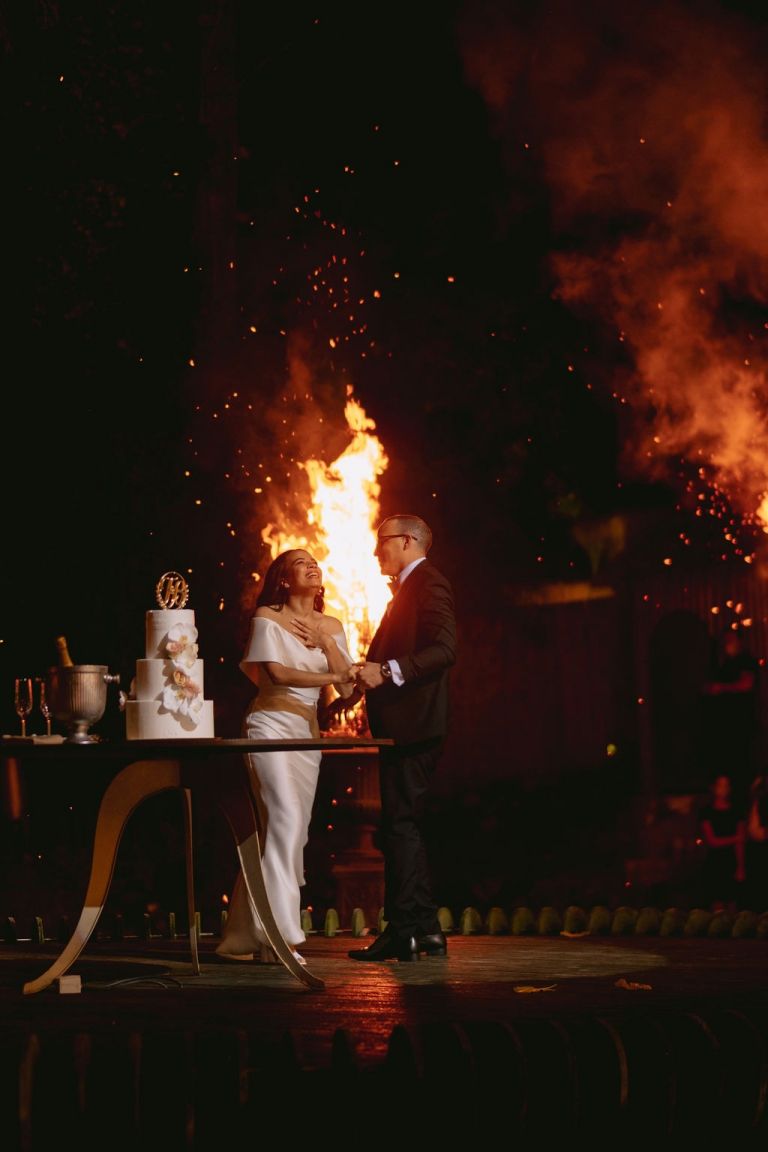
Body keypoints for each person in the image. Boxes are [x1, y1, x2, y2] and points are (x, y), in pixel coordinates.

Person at [216, 548, 359, 964]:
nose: (312, 565)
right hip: (269, 725)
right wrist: (334, 674)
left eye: (315, 561)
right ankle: (281, 936)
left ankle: (243, 936)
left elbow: (349, 691)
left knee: (286, 833)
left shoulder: (331, 625)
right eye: (301, 562)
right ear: (283, 578)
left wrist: (329, 644)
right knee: (285, 820)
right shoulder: (267, 617)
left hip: (306, 734)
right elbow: (275, 674)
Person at [327, 513, 458, 962]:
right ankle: (425, 929)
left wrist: (385, 671)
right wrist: (354, 693)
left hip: (415, 728)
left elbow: (445, 649)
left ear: (405, 542)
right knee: (402, 826)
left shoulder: (429, 584)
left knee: (399, 827)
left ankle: (403, 931)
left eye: (381, 542)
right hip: (404, 728)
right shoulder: (408, 589)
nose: (376, 550)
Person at [700, 629, 761, 805]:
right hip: (725, 728)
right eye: (725, 640)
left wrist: (721, 688)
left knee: (741, 767)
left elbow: (746, 684)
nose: (727, 644)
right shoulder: (723, 664)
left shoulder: (746, 661)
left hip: (742, 726)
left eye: (731, 640)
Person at [697, 772, 746, 913]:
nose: (723, 789)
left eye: (726, 785)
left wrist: (741, 867)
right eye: (720, 785)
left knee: (733, 907)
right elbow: (712, 841)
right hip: (714, 862)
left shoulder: (737, 811)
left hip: (731, 861)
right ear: (714, 788)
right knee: (717, 907)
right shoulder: (706, 812)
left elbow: (740, 843)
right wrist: (735, 838)